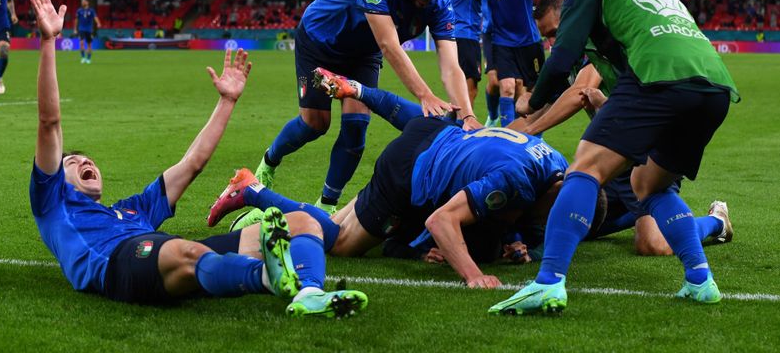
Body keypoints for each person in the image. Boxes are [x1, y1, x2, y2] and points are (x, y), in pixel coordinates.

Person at [28, 0, 367, 317]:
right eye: (71, 162)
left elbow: (192, 164)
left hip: (160, 252)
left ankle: (310, 292)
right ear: (59, 177)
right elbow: (49, 122)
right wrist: (48, 41)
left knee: (303, 223)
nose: (85, 161)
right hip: (120, 265)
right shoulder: (52, 202)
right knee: (181, 250)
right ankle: (265, 278)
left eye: (86, 158)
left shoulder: (133, 211)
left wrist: (227, 101)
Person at [491, 0, 739, 315]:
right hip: (715, 88)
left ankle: (548, 282)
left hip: (659, 77)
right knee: (647, 184)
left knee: (585, 169)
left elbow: (562, 59)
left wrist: (531, 102)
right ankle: (700, 280)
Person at [209, 68, 569, 289]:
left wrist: (516, 239)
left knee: (335, 222)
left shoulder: (553, 160)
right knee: (340, 242)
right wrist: (474, 275)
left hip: (436, 133)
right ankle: (252, 190)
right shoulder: (517, 183)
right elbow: (441, 221)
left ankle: (358, 92)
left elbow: (416, 119)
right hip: (409, 168)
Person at [254, 0, 481, 215]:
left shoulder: (439, 3)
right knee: (315, 125)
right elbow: (389, 45)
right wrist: (424, 95)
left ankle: (326, 207)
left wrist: (467, 115)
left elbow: (450, 65)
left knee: (356, 125)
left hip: (363, 54)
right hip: (319, 44)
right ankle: (269, 161)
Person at [520, 0, 732, 254]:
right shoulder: (570, 58)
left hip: (643, 157)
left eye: (554, 32)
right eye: (547, 37)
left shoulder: (600, 44)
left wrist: (531, 129)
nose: (552, 42)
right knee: (572, 220)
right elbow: (548, 104)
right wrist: (501, 132)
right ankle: (637, 216)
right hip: (612, 157)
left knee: (653, 245)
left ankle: (716, 222)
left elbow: (579, 92)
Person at [479, 0, 557, 127]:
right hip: (501, 40)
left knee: (533, 93)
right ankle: (506, 135)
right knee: (506, 88)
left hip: (529, 40)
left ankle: (534, 134)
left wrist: (553, 21)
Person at [73, 0, 101, 64]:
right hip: (81, 29)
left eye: (84, 1)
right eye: (82, 2)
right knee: (81, 43)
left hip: (89, 30)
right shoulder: (79, 10)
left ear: (87, 2)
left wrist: (98, 23)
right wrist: (75, 28)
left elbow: (95, 17)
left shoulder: (91, 10)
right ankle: (83, 58)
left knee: (89, 45)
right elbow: (76, 20)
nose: (82, 3)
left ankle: (88, 58)